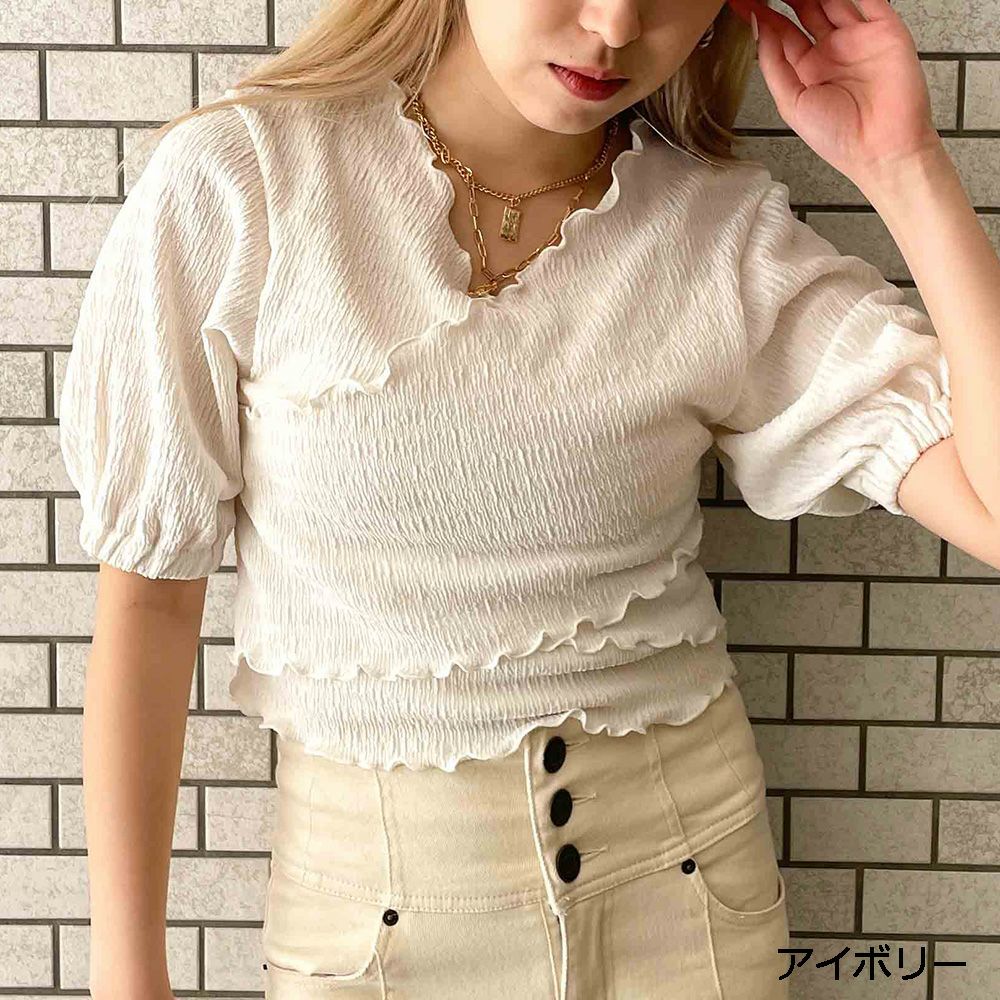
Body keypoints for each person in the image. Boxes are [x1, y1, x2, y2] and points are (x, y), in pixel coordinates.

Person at [60, 0, 1000, 996]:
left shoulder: (717, 235)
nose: (614, 25)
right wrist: (129, 980)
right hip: (372, 927)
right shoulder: (246, 180)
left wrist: (904, 169)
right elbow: (150, 602)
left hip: (691, 911)